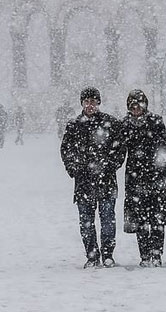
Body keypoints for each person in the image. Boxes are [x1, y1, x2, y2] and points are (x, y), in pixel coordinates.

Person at [60, 87, 124, 269]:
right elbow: (66, 150)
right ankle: (92, 255)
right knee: (86, 222)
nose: (90, 105)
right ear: (81, 103)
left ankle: (108, 254)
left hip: (106, 181)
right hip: (83, 182)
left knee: (107, 220)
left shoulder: (110, 123)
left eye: (93, 101)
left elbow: (119, 149)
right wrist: (74, 168)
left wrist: (110, 166)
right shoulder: (74, 125)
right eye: (87, 101)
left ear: (98, 103)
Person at [120, 89, 166, 267]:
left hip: (155, 174)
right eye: (133, 106)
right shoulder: (124, 124)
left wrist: (154, 140)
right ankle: (144, 255)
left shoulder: (156, 121)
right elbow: (119, 150)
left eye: (139, 105)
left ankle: (156, 254)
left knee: (157, 218)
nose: (136, 109)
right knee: (140, 218)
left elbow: (165, 147)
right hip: (135, 177)